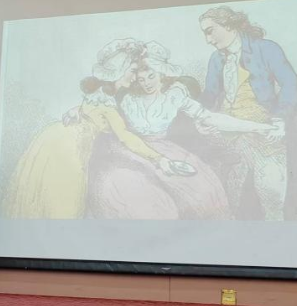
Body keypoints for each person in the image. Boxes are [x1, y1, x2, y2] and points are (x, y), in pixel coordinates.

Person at [87, 41, 275, 220]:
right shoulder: (126, 96)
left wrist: (258, 127)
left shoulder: (174, 97)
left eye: (151, 76)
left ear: (162, 75)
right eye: (141, 79)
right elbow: (101, 110)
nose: (146, 83)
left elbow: (209, 117)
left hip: (165, 148)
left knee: (203, 192)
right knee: (138, 194)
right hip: (128, 149)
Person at [0, 38, 174, 220]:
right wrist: (158, 158)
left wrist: (77, 110)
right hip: (69, 147)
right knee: (64, 204)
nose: (135, 76)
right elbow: (125, 137)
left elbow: (92, 114)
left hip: (56, 136)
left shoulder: (102, 94)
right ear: (119, 71)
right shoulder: (107, 103)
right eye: (132, 71)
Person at [199, 6, 297, 220]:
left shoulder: (266, 49)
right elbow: (209, 95)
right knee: (222, 196)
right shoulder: (216, 59)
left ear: (228, 25)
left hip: (264, 131)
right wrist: (201, 118)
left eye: (210, 31)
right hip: (228, 133)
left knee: (272, 194)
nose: (208, 40)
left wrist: (280, 119)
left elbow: (290, 84)